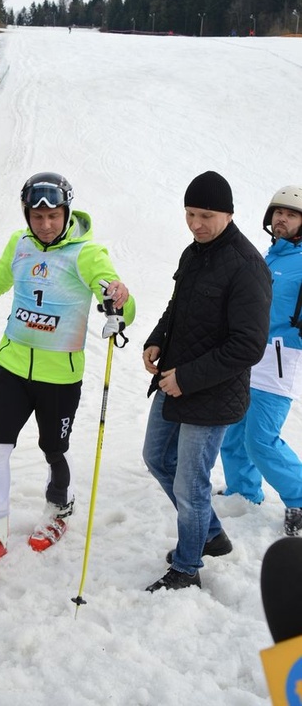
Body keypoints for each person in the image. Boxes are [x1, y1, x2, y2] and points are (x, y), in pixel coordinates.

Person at [0, 171, 135, 570]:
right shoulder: (19, 244)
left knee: (52, 449)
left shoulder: (87, 253)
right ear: (26, 216)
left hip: (60, 376)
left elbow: (118, 295)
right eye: (37, 217)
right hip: (13, 365)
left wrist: (120, 302)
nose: (46, 224)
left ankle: (59, 507)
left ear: (66, 212)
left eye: (54, 216)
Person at [142, 171, 271, 592]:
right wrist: (157, 338)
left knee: (190, 482)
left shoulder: (247, 266)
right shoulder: (194, 252)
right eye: (190, 213)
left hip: (212, 392)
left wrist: (188, 378)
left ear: (229, 214)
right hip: (173, 379)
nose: (196, 223)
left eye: (206, 215)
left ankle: (187, 566)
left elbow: (248, 346)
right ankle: (211, 534)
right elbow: (177, 305)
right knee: (157, 457)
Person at [220, 186, 302, 534]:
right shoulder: (268, 257)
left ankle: (299, 497)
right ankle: (243, 491)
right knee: (233, 430)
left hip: (281, 357)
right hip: (245, 352)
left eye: (291, 214)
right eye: (277, 213)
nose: (281, 218)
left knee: (261, 437)